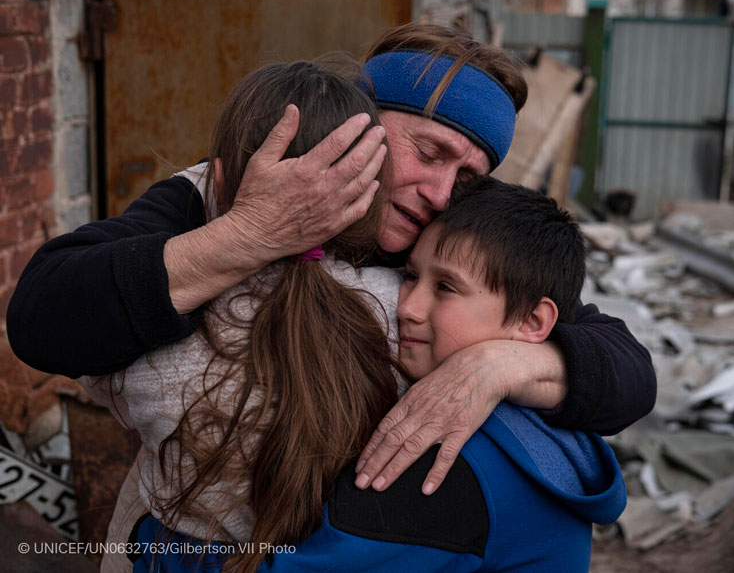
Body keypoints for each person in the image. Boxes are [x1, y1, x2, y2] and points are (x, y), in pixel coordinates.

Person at [8, 23, 655, 496]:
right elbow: (43, 316)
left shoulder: (455, 235)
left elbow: (627, 372)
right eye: (428, 153)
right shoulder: (220, 190)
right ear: (360, 123)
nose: (438, 195)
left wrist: (499, 363)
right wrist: (249, 236)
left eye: (466, 178)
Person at [127, 176, 627, 572]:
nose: (406, 306)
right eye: (411, 276)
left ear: (534, 323)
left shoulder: (445, 461)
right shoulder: (545, 427)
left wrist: (152, 542)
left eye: (446, 288)